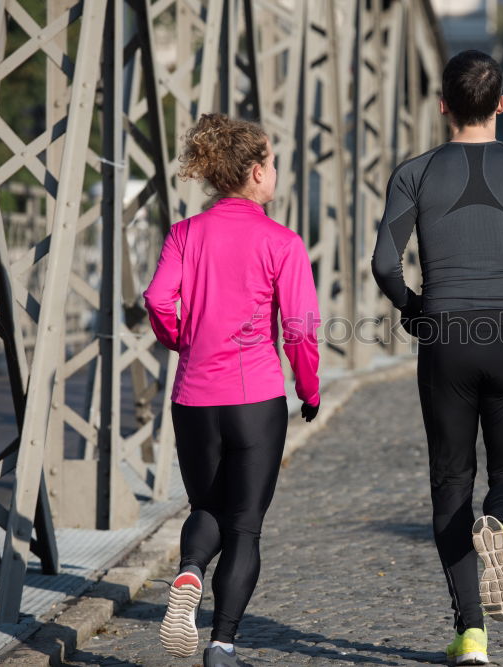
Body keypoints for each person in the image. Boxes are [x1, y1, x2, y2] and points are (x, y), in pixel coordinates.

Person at [370, 50, 503, 665]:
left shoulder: (413, 174)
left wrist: (414, 309)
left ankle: (471, 636)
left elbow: (386, 264)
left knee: (450, 485)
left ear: (442, 104)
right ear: (501, 103)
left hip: (445, 334)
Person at [143, 114, 321, 667]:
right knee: (244, 524)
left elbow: (155, 298)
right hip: (256, 400)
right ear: (254, 172)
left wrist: (182, 341)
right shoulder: (282, 242)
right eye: (270, 163)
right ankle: (221, 646)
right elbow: (300, 329)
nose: (274, 172)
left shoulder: (185, 233)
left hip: (194, 398)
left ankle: (190, 571)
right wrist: (309, 390)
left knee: (206, 506)